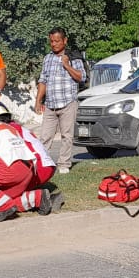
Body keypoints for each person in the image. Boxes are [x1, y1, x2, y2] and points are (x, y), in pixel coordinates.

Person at [0, 103, 62, 220]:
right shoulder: (12, 127)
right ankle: (37, 198)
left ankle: (3, 205)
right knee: (1, 197)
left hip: (36, 168)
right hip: (36, 166)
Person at [34, 27, 86, 174]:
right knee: (45, 136)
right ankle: (41, 163)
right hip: (50, 104)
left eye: (57, 41)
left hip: (68, 102)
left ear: (65, 40)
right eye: (51, 41)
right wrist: (38, 100)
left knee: (67, 136)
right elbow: (43, 80)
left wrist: (66, 65)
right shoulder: (47, 58)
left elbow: (81, 77)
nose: (54, 44)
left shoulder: (73, 57)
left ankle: (64, 164)